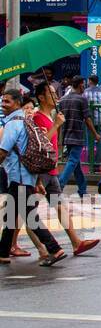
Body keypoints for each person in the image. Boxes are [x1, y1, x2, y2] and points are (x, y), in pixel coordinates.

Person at [0, 89, 66, 267]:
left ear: (17, 103)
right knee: (12, 213)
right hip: (26, 175)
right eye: (2, 101)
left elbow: (3, 151)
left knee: (29, 215)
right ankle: (3, 252)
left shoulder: (13, 123)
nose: (3, 104)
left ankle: (54, 248)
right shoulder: (25, 120)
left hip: (19, 175)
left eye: (7, 101)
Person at [31, 81, 98, 257]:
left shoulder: (50, 116)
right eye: (51, 93)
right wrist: (57, 125)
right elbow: (40, 143)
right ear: (41, 97)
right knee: (26, 211)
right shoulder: (38, 117)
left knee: (59, 205)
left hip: (50, 169)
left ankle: (76, 242)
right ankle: (21, 246)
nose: (55, 96)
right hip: (41, 170)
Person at [56, 76, 92, 199]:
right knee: (72, 161)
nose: (84, 87)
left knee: (75, 163)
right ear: (80, 85)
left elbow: (59, 120)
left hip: (66, 135)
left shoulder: (62, 100)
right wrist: (96, 134)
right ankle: (59, 185)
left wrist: (58, 138)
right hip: (77, 135)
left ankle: (82, 189)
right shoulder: (82, 100)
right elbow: (87, 119)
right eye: (83, 84)